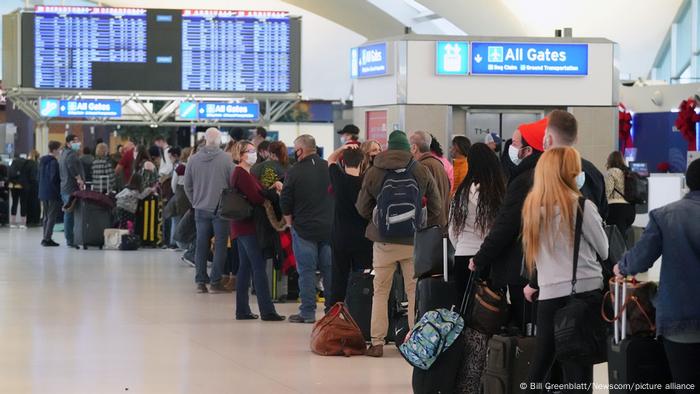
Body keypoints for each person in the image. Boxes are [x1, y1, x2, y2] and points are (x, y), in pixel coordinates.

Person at [521, 147, 608, 392]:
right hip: (583, 292)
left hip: (548, 295)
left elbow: (536, 257)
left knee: (541, 364)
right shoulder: (582, 206)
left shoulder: (532, 210)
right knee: (578, 369)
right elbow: (603, 249)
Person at [614, 159, 700, 393]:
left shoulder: (666, 215)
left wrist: (621, 267)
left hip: (680, 319)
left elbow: (642, 257)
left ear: (689, 183)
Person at [356, 130, 442, 357]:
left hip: (383, 242)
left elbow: (362, 207)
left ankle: (376, 343)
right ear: (407, 148)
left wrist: (378, 221)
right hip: (412, 241)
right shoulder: (420, 170)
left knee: (380, 291)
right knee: (413, 292)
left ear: (388, 147)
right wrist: (421, 225)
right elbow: (437, 206)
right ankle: (415, 341)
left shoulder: (375, 171)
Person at [468, 118, 547, 329]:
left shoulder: (524, 181)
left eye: (514, 143)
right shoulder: (545, 175)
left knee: (525, 326)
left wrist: (481, 257)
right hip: (545, 267)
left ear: (528, 151)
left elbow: (506, 223)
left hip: (522, 267)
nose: (509, 147)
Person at [449, 143, 506, 393]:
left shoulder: (461, 191)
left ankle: (464, 372)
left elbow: (452, 230)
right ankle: (487, 367)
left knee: (465, 315)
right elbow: (499, 230)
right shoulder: (496, 191)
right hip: (487, 258)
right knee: (487, 315)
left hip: (462, 256)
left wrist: (462, 245)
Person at [280, 135, 334, 324]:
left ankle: (308, 312)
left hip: (303, 229)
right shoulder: (329, 167)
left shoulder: (294, 172)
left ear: (300, 150)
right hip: (328, 228)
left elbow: (285, 201)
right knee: (330, 272)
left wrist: (289, 223)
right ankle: (332, 311)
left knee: (307, 272)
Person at [230, 141, 285, 321]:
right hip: (248, 226)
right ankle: (267, 310)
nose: (254, 154)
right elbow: (255, 197)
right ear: (241, 154)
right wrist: (271, 193)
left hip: (242, 226)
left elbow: (257, 192)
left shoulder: (245, 173)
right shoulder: (241, 173)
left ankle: (242, 309)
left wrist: (268, 189)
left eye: (254, 150)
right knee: (258, 267)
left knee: (245, 268)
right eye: (250, 151)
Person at [184, 128, 235, 294]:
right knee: (220, 246)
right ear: (219, 140)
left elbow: (187, 186)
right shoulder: (227, 160)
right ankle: (215, 281)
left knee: (201, 245)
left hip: (200, 209)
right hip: (221, 209)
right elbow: (233, 184)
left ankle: (200, 282)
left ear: (204, 139)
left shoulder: (193, 160)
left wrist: (195, 201)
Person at [327, 144, 373, 306]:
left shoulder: (338, 179)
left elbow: (331, 159)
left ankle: (334, 315)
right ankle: (360, 313)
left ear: (343, 162)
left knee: (338, 278)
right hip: (363, 239)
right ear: (362, 162)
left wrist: (343, 147)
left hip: (341, 237)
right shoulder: (366, 183)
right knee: (363, 279)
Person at [543, 110, 608, 218]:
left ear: (548, 140)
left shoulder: (541, 173)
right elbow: (603, 213)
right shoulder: (594, 172)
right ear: (576, 139)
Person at [410, 131, 450, 227]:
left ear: (414, 148)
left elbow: (418, 197)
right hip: (441, 223)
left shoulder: (422, 167)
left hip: (429, 225)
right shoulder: (438, 164)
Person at [59, 134, 85, 248]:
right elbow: (71, 167)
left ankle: (70, 238)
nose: (78, 143)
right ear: (68, 143)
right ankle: (70, 240)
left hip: (65, 187)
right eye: (75, 141)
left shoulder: (64, 153)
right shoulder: (70, 154)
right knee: (69, 213)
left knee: (68, 212)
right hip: (71, 188)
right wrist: (79, 179)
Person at [605, 151, 636, 236]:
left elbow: (608, 191)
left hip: (616, 209)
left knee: (615, 239)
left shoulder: (611, 172)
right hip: (630, 209)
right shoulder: (628, 172)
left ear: (610, 160)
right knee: (623, 237)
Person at [38, 141, 62, 246]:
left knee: (46, 216)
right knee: (51, 216)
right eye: (60, 149)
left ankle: (45, 237)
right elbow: (53, 178)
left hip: (43, 191)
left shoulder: (42, 161)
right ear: (55, 150)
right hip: (52, 192)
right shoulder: (54, 162)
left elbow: (38, 177)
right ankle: (47, 239)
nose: (60, 151)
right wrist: (58, 191)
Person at [8, 154, 30, 228]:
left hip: (14, 185)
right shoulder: (26, 163)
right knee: (23, 203)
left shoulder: (13, 163)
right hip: (24, 185)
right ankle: (22, 223)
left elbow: (10, 174)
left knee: (14, 203)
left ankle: (12, 223)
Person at [26, 150, 41, 227]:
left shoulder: (27, 163)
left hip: (27, 186)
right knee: (35, 203)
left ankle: (29, 220)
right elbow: (34, 177)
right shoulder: (35, 164)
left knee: (29, 203)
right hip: (35, 186)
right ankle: (35, 220)